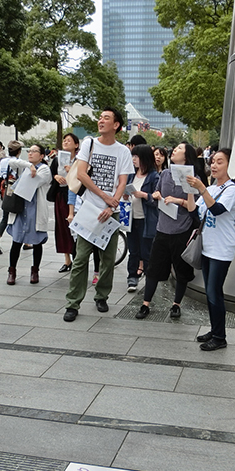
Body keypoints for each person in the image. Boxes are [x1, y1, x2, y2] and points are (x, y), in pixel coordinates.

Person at [63, 107, 134, 322]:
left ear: (116, 125)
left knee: (108, 258)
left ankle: (102, 295)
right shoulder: (89, 143)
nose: (101, 121)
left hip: (110, 212)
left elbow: (123, 181)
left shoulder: (123, 151)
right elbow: (82, 174)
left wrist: (111, 206)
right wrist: (104, 196)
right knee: (81, 258)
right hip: (89, 210)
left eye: (106, 118)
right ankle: (73, 303)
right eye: (100, 117)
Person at [135, 142, 206, 320]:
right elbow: (155, 196)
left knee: (181, 271)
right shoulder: (165, 174)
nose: (175, 150)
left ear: (187, 155)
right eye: (174, 148)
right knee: (153, 269)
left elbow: (194, 207)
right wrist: (156, 196)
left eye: (180, 149)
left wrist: (178, 200)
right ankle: (145, 304)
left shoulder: (194, 178)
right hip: (162, 229)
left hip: (182, 230)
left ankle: (176, 304)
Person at [187, 149, 235, 350]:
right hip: (208, 246)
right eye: (213, 161)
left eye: (220, 162)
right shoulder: (211, 188)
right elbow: (195, 213)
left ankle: (220, 337)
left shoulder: (231, 190)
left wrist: (201, 188)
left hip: (222, 248)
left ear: (230, 166)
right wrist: (190, 191)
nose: (214, 165)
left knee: (213, 292)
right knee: (211, 293)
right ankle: (215, 329)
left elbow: (217, 210)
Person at [5, 144, 51, 285]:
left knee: (37, 242)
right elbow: (10, 161)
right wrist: (28, 165)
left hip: (35, 210)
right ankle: (11, 271)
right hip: (20, 209)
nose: (30, 154)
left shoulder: (45, 170)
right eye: (29, 151)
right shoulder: (24, 166)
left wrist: (28, 169)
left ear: (42, 155)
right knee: (17, 241)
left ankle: (35, 271)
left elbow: (32, 183)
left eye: (34, 151)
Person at [125, 144, 159, 292]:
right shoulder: (131, 175)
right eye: (133, 156)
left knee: (147, 251)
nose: (133, 160)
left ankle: (150, 280)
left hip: (146, 219)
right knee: (133, 250)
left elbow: (157, 199)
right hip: (131, 218)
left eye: (136, 157)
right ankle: (132, 277)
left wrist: (144, 195)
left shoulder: (154, 176)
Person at [49, 133, 79, 272]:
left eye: (69, 141)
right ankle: (67, 260)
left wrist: (71, 171)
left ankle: (77, 256)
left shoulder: (80, 160)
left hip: (76, 196)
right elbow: (50, 174)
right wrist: (55, 176)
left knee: (74, 226)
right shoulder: (56, 160)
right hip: (61, 195)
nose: (66, 143)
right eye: (64, 141)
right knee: (62, 226)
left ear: (76, 145)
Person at [0, 140, 23, 254]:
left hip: (4, 189)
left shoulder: (3, 161)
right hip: (16, 192)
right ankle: (24, 241)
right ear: (19, 151)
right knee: (20, 216)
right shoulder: (19, 162)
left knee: (5, 217)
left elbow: (0, 175)